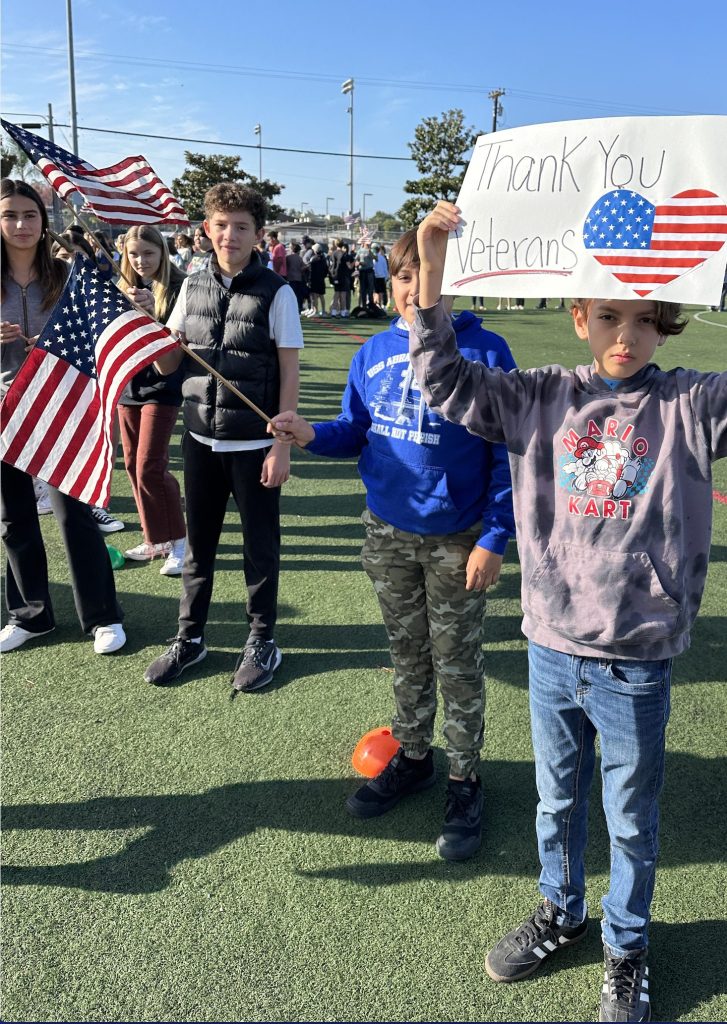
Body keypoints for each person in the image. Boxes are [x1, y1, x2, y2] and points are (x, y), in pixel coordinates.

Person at [408, 199, 727, 1022]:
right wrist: (431, 264)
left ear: (665, 324)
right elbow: (443, 381)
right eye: (608, 316)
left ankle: (626, 945)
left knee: (630, 819)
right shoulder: (538, 397)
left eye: (644, 319)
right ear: (579, 316)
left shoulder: (689, 405)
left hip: (635, 656)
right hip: (549, 645)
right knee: (555, 803)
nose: (626, 336)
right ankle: (561, 910)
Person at [269, 227, 516, 861]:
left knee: (457, 661)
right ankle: (413, 756)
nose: (414, 288)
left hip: (458, 538)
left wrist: (494, 535)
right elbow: (355, 429)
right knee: (408, 654)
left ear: (453, 284)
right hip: (387, 533)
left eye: (428, 276)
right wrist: (310, 434)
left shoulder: (487, 351)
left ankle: (465, 778)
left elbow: (507, 455)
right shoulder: (373, 350)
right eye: (404, 276)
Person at [143, 183, 303, 691]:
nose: (230, 235)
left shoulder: (277, 292)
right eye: (221, 225)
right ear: (206, 229)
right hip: (199, 439)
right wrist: (152, 332)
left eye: (241, 226)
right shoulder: (191, 286)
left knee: (260, 548)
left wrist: (281, 445)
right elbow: (169, 363)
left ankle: (262, 639)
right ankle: (190, 637)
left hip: (254, 444)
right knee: (199, 548)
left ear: (258, 234)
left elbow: (290, 372)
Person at [0, 178, 126, 655]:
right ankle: (30, 615)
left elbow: (99, 334)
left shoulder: (69, 275)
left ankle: (102, 616)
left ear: (43, 219)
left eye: (30, 214)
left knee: (74, 513)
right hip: (4, 410)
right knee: (14, 519)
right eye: (10, 215)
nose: (21, 224)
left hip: (63, 406)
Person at [116, 225, 187, 576]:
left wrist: (150, 316)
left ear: (162, 252)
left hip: (163, 387)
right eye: (133, 254)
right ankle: (155, 537)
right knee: (132, 465)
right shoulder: (119, 288)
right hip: (128, 386)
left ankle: (180, 541)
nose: (141, 260)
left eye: (148, 253)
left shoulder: (179, 288)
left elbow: (172, 352)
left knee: (150, 466)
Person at [306, 243, 328, 317]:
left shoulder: (313, 259)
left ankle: (316, 311)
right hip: (321, 279)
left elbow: (310, 271)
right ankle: (323, 311)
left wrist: (309, 280)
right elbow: (326, 270)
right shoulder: (323, 259)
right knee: (321, 296)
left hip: (314, 280)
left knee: (315, 296)